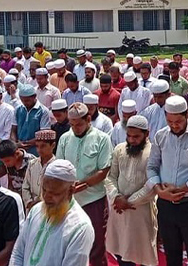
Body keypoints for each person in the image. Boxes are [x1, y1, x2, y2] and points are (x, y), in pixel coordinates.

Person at [146, 95, 188, 266]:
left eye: (178, 121)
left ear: (187, 116)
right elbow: (152, 166)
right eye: (170, 121)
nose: (174, 125)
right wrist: (161, 192)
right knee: (171, 254)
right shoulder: (160, 136)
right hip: (165, 205)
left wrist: (182, 190)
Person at [56, 102, 112, 266]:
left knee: (96, 243)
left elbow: (103, 171)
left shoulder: (102, 138)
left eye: (79, 124)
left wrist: (82, 185)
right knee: (69, 241)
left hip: (93, 199)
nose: (75, 128)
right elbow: (60, 165)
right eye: (72, 125)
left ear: (88, 119)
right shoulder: (65, 138)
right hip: (69, 201)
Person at [9, 159, 95, 266]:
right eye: (44, 190)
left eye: (54, 193)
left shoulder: (80, 228)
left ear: (71, 191)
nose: (46, 197)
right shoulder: (36, 210)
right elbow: (18, 253)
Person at [104, 115, 158, 266]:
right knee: (121, 250)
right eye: (129, 135)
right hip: (118, 210)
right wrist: (116, 197)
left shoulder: (154, 153)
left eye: (136, 136)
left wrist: (128, 202)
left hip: (140, 211)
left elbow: (152, 184)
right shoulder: (119, 149)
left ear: (147, 134)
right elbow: (110, 177)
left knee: (144, 252)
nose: (132, 140)